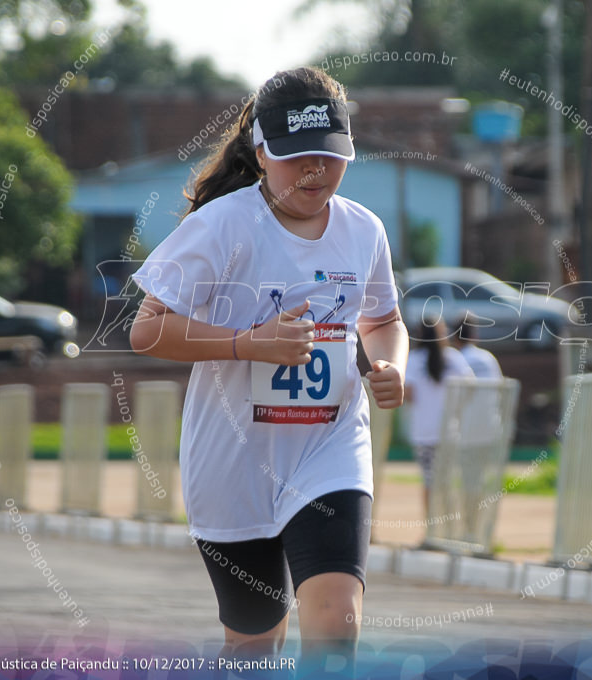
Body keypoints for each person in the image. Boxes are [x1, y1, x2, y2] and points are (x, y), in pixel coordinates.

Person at [128, 67, 408, 672]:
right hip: (233, 460)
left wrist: (389, 362)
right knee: (255, 644)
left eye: (329, 157)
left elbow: (384, 319)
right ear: (261, 154)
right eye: (296, 157)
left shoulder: (364, 231)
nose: (315, 171)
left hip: (329, 448)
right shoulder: (221, 225)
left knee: (337, 620)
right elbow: (146, 329)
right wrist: (247, 343)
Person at [403, 318, 474, 515]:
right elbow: (471, 386)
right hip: (448, 431)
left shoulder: (414, 359)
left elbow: (407, 394)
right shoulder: (453, 358)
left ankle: (432, 528)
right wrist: (455, 406)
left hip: (424, 432)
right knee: (447, 481)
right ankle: (447, 527)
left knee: (429, 481)